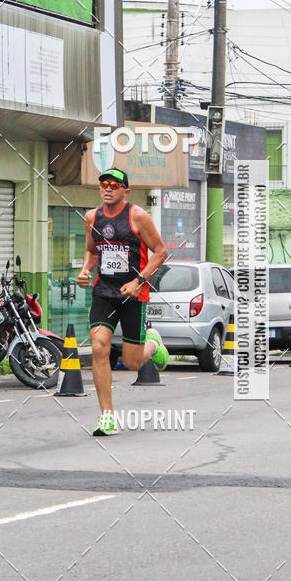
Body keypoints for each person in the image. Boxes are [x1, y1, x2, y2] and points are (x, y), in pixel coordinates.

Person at [77, 168, 169, 436]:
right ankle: (107, 416)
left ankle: (153, 343)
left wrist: (138, 281)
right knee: (98, 347)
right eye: (103, 183)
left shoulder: (138, 216)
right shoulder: (91, 217)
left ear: (125, 191)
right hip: (104, 292)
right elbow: (93, 252)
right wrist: (85, 271)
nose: (107, 188)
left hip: (133, 295)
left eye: (114, 185)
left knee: (132, 363)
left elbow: (161, 252)